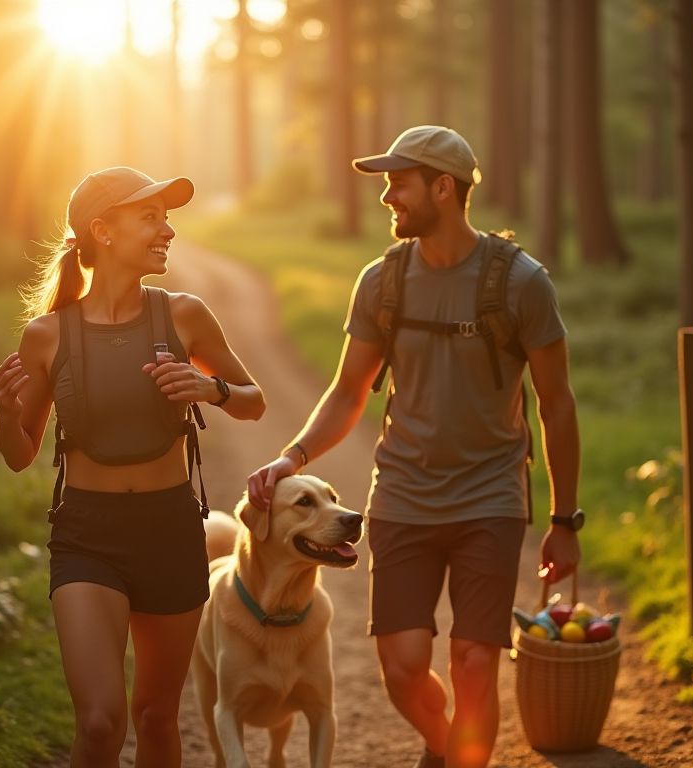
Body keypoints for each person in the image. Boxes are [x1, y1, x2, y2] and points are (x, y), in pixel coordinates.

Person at [247, 125, 581, 768]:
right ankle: (448, 745)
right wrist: (293, 456)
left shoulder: (521, 283)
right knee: (402, 669)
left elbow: (556, 403)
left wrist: (565, 520)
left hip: (491, 495)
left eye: (398, 183)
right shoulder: (383, 281)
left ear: (444, 188)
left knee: (475, 661)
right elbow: (349, 391)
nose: (386, 197)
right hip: (402, 494)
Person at [0, 166, 265, 768]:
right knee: (98, 721)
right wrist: (8, 416)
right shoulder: (46, 336)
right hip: (89, 534)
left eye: (166, 219)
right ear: (103, 231)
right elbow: (18, 455)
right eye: (150, 218)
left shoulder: (185, 316)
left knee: (157, 716)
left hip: (169, 530)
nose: (166, 231)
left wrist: (207, 387)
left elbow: (253, 401)